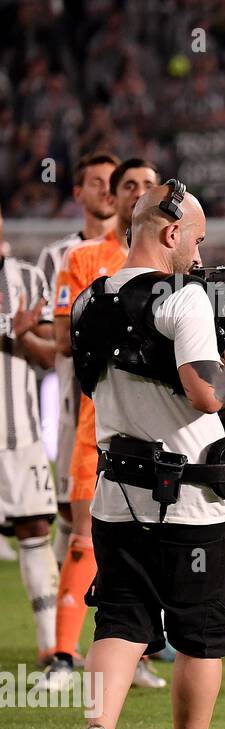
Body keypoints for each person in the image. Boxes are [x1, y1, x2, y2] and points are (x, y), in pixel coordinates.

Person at [75, 181, 225, 729]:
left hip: (116, 498)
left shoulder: (90, 298)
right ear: (169, 233)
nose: (199, 249)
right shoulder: (183, 298)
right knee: (201, 635)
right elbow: (202, 392)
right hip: (191, 502)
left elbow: (99, 389)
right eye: (194, 236)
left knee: (120, 619)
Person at [39, 159, 165, 692]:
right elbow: (69, 339)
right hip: (98, 423)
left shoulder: (175, 261)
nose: (138, 192)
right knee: (85, 537)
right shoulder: (85, 258)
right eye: (128, 186)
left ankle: (129, 653)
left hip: (160, 425)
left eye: (146, 185)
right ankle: (63, 657)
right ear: (113, 199)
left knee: (150, 544)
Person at [36, 152, 119, 569]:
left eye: (112, 182)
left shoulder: (142, 252)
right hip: (75, 402)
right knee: (73, 512)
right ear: (78, 192)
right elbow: (53, 334)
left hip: (126, 402)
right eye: (96, 182)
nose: (105, 189)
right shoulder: (58, 256)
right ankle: (58, 621)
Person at [0, 201, 60, 664]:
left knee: (35, 527)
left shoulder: (27, 279)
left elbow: (49, 358)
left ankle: (49, 646)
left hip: (19, 434)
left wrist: (22, 335)